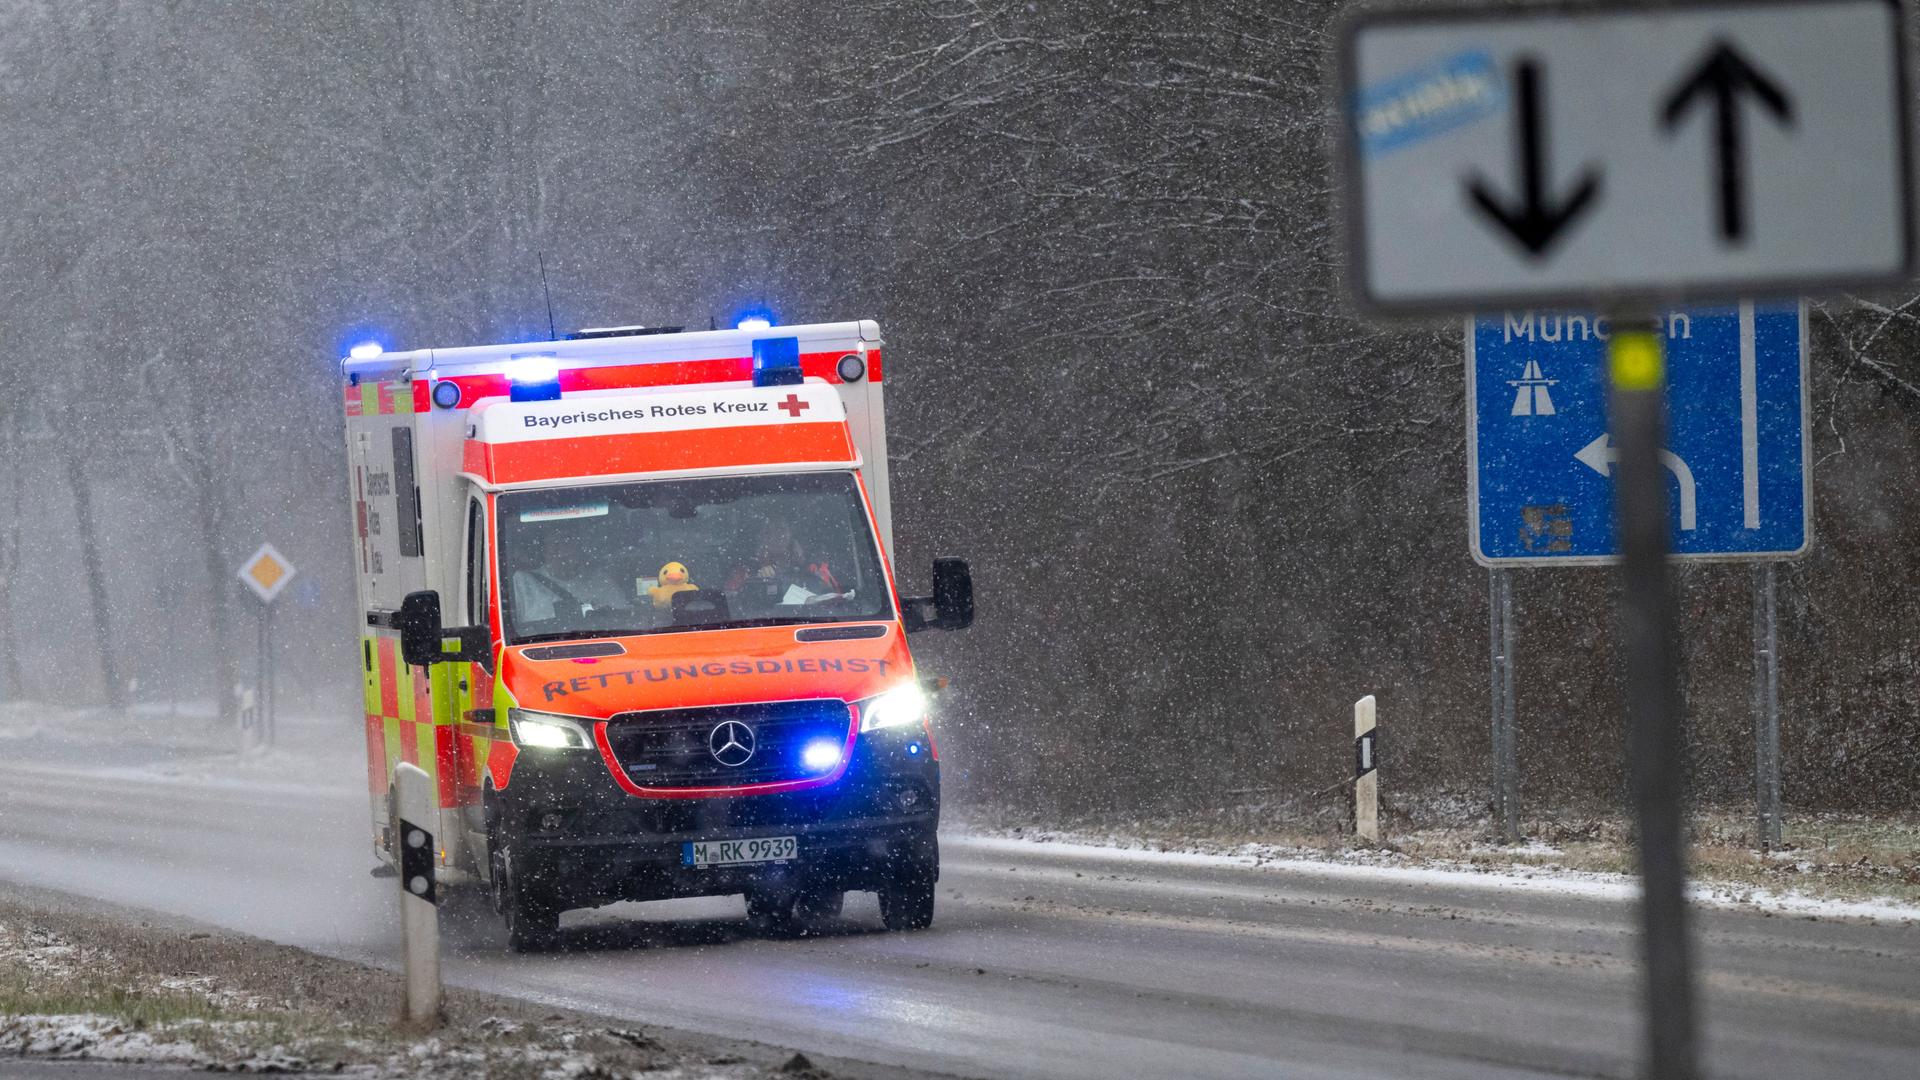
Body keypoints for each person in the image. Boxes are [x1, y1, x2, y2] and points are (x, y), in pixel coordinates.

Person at [510, 525, 632, 623]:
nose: (561, 551)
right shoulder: (523, 582)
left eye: (567, 543)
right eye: (554, 544)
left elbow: (625, 619)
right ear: (544, 550)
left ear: (579, 548)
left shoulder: (601, 581)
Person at [724, 519, 841, 600]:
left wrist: (811, 573)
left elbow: (835, 598)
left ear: (790, 534)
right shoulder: (745, 570)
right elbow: (731, 601)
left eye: (781, 530)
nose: (776, 535)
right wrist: (756, 582)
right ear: (761, 537)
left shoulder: (813, 565)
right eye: (769, 531)